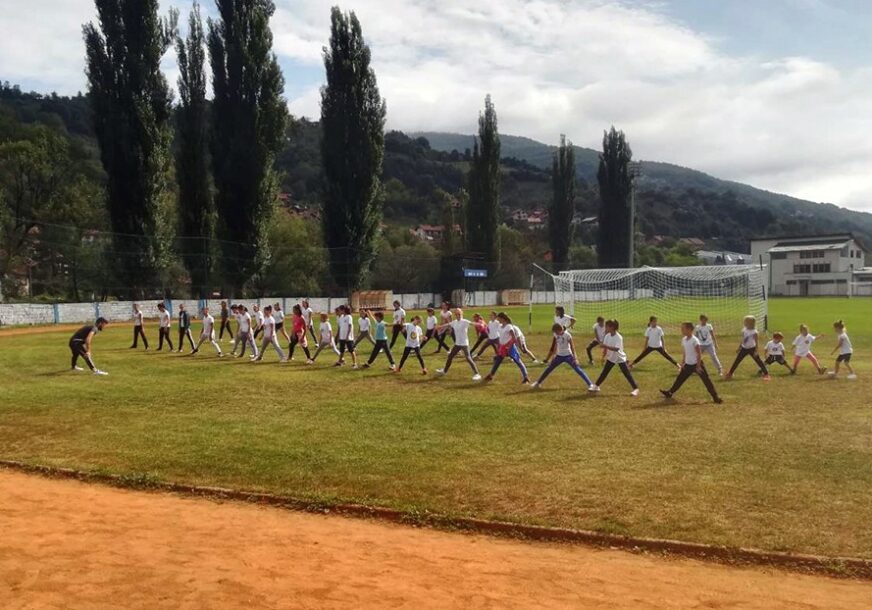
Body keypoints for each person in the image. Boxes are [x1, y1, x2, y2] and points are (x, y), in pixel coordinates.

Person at [659, 322, 722, 404]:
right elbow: (685, 352)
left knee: (706, 380)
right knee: (680, 379)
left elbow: (699, 353)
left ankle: (715, 397)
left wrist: (699, 366)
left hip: (697, 364)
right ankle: (670, 393)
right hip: (688, 365)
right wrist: (682, 363)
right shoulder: (684, 340)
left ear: (689, 330)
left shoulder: (695, 340)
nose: (681, 330)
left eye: (683, 329)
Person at [531, 323, 592, 390]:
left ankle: (590, 384)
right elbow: (555, 345)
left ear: (560, 330)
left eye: (556, 332)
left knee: (578, 370)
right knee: (549, 369)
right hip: (559, 356)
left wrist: (575, 358)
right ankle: (538, 383)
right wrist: (554, 355)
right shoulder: (555, 334)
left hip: (568, 356)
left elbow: (572, 347)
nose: (555, 333)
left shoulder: (567, 335)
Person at [589, 320, 639, 396]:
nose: (605, 328)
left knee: (626, 373)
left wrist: (605, 346)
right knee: (604, 372)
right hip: (611, 357)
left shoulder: (619, 337)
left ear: (612, 327)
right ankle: (596, 386)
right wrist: (604, 356)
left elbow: (616, 349)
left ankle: (636, 389)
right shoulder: (607, 336)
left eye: (607, 326)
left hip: (619, 357)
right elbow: (605, 347)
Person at [435, 308, 481, 381]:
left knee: (468, 358)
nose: (458, 315)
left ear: (462, 314)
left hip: (464, 343)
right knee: (450, 357)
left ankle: (477, 374)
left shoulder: (464, 321)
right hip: (457, 344)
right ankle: (444, 371)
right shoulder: (455, 322)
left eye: (459, 314)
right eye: (456, 314)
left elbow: (473, 323)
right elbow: (448, 324)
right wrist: (440, 327)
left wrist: (480, 324)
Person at [483, 313, 530, 384]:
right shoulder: (500, 326)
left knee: (518, 361)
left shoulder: (509, 327)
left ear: (502, 318)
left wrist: (509, 346)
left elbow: (514, 339)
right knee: (497, 361)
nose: (497, 320)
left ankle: (526, 377)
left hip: (510, 347)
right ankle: (491, 375)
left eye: (498, 318)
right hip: (502, 347)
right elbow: (501, 338)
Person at [724, 315, 769, 380]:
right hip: (744, 348)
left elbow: (756, 342)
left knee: (759, 361)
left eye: (745, 322)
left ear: (750, 323)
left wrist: (756, 350)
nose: (744, 323)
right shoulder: (744, 330)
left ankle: (766, 374)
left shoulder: (754, 332)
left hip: (752, 349)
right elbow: (743, 339)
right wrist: (739, 347)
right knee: (737, 361)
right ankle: (730, 373)